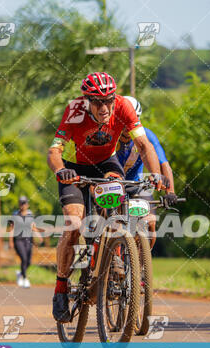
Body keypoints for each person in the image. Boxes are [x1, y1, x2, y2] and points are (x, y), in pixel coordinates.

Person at [47, 72, 166, 322]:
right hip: (73, 167)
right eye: (97, 102)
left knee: (116, 196)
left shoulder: (123, 106)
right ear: (86, 100)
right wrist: (61, 170)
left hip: (105, 163)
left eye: (108, 101)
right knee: (74, 224)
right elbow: (54, 151)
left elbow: (144, 145)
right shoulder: (75, 111)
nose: (104, 107)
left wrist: (156, 175)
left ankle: (114, 255)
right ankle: (60, 287)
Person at [116, 96, 178, 248]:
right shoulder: (110, 135)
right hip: (112, 183)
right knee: (110, 223)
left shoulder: (147, 135)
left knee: (150, 223)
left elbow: (164, 165)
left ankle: (143, 264)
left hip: (136, 184)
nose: (127, 125)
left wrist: (170, 191)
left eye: (132, 119)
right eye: (123, 119)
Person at [8, 196, 34, 288]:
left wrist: (38, 235)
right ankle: (25, 278)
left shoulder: (30, 214)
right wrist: (10, 241)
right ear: (19, 204)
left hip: (29, 239)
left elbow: (32, 225)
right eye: (21, 203)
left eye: (24, 203)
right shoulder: (15, 215)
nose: (23, 205)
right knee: (24, 258)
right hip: (18, 240)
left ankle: (20, 274)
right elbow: (11, 229)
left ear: (27, 204)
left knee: (29, 261)